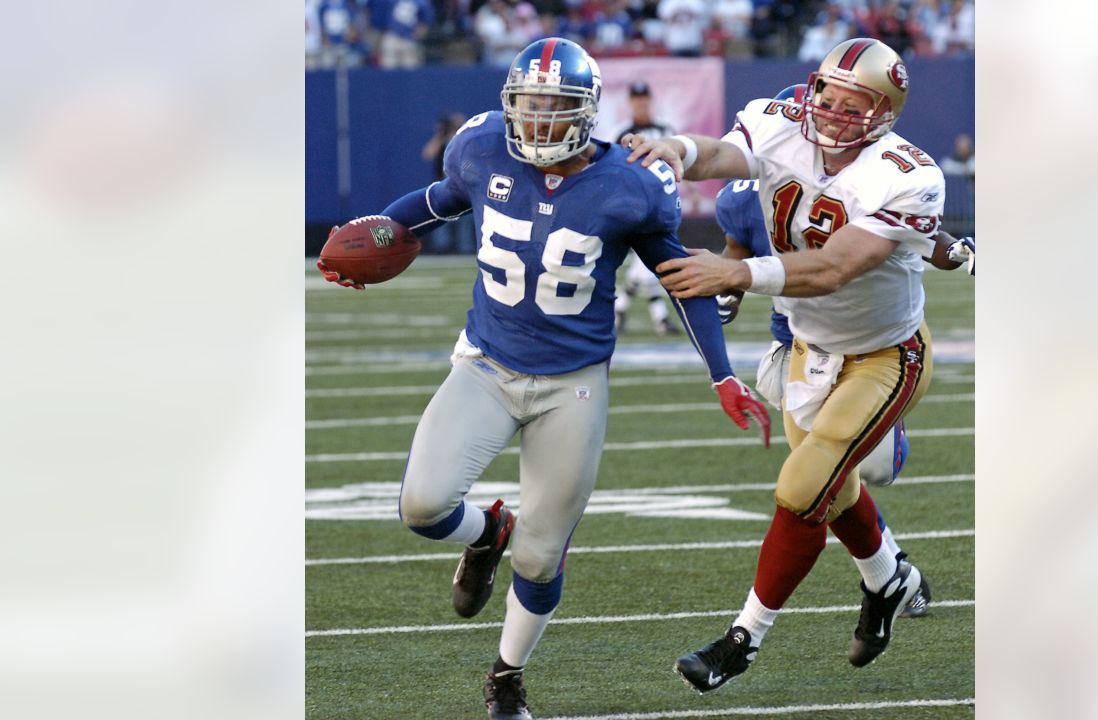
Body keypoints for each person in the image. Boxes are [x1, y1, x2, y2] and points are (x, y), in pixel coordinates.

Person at [318, 38, 770, 720]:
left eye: (553, 108)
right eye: (527, 106)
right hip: (487, 362)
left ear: (586, 113)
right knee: (421, 506)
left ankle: (507, 678)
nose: (536, 122)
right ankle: (483, 535)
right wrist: (378, 230)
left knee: (540, 557)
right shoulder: (481, 148)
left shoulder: (633, 186)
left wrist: (722, 375)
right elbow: (440, 200)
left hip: (572, 384)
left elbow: (681, 280)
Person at [622, 39, 958, 691]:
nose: (830, 111)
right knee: (835, 491)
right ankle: (890, 580)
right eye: (826, 93)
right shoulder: (781, 118)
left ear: (883, 111)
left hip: (886, 353)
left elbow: (834, 267)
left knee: (803, 489)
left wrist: (737, 273)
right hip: (809, 346)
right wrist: (679, 150)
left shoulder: (908, 174)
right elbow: (725, 153)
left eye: (850, 102)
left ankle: (742, 640)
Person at [613, 81, 679, 336]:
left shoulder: (665, 129)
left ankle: (624, 310)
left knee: (649, 262)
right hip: (633, 204)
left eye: (644, 99)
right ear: (631, 102)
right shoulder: (622, 131)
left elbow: (679, 162)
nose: (641, 103)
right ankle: (654, 317)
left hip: (662, 203)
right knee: (652, 261)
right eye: (636, 99)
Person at [420, 112, 476, 253]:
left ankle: (465, 248)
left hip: (464, 183)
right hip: (444, 182)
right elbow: (428, 154)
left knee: (465, 218)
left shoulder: (466, 139)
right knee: (441, 215)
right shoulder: (443, 140)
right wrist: (440, 135)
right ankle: (442, 247)